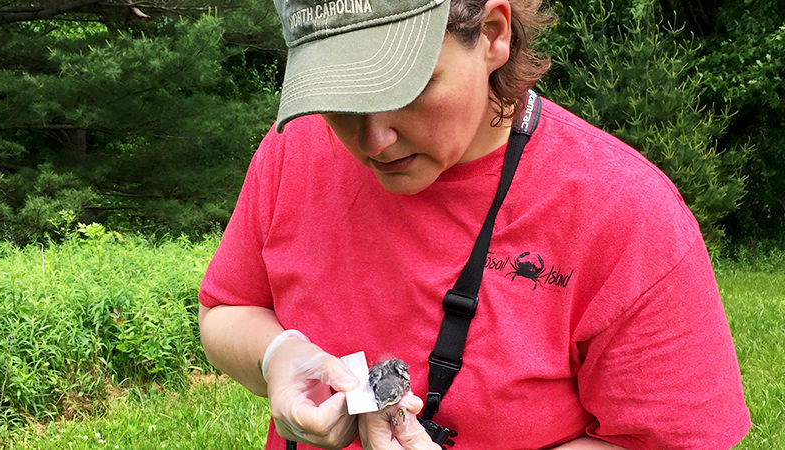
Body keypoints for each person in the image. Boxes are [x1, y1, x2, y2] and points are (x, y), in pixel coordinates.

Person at [197, 0, 751, 448]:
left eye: (403, 89)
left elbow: (672, 440)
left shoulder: (624, 211)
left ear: (492, 34)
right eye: (339, 99)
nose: (373, 141)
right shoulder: (292, 150)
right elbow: (227, 309)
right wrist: (277, 360)